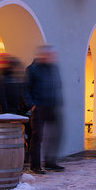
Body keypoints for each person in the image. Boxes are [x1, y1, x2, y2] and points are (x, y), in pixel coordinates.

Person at [27, 45, 64, 173]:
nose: (52, 58)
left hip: (53, 105)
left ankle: (50, 162)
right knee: (37, 137)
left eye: (52, 56)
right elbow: (26, 88)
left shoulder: (53, 69)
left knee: (55, 135)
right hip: (39, 106)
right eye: (49, 55)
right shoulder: (32, 69)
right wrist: (32, 104)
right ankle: (35, 165)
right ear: (42, 56)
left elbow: (58, 86)